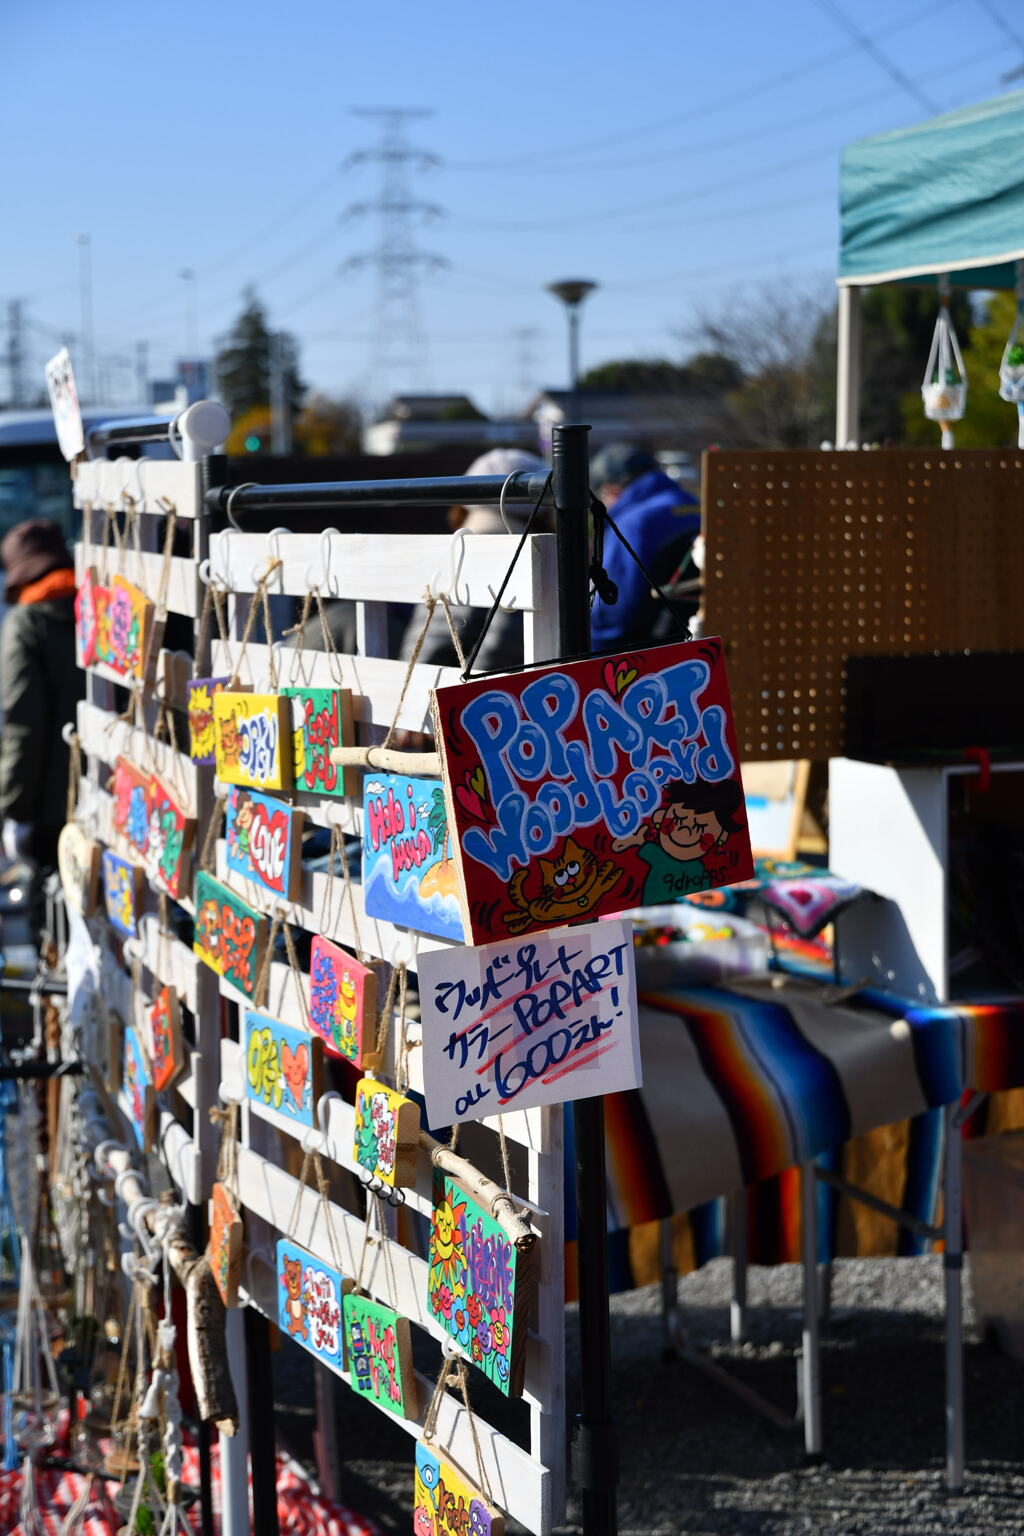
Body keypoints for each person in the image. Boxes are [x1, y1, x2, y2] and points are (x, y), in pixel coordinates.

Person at [398, 446, 549, 673]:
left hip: (421, 687)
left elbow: (426, 648)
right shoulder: (529, 561)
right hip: (484, 698)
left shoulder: (448, 555)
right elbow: (498, 651)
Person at [0, 519, 85, 874]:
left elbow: (23, 724)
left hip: (51, 813)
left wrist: (14, 812)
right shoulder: (101, 605)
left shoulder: (26, 622)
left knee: (54, 915)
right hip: (119, 792)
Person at [589, 441, 700, 653]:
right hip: (703, 643)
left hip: (648, 656)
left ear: (610, 490)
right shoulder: (695, 505)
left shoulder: (631, 523)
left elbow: (613, 613)